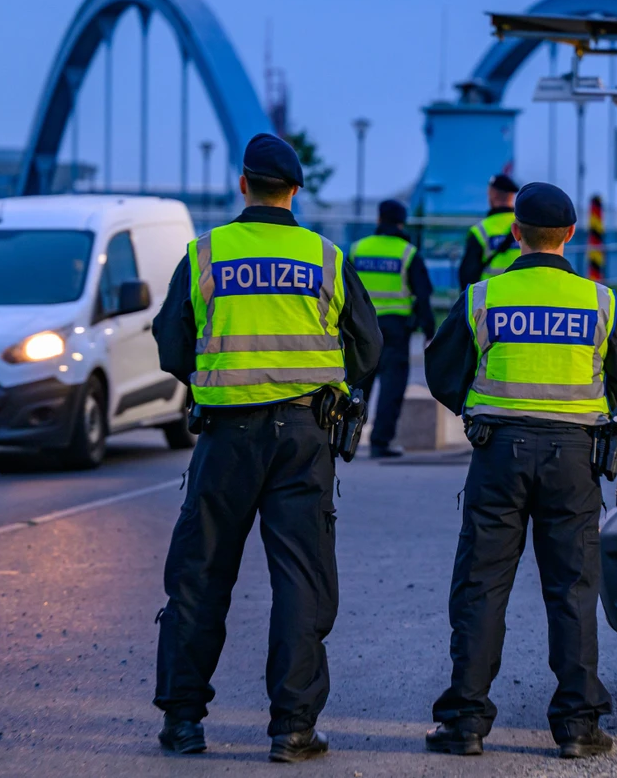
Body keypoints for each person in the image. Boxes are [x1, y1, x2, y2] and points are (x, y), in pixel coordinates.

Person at [150, 133, 383, 763]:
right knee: (300, 581)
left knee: (200, 577)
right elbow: (368, 348)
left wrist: (221, 379)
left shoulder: (205, 255)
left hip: (226, 438)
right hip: (305, 438)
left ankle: (182, 723)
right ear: (296, 192)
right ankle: (293, 730)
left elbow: (173, 348)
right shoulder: (327, 258)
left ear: (243, 184)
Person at [424, 182, 617, 759]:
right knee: (572, 589)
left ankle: (465, 723)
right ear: (570, 236)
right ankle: (577, 726)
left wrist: (477, 410)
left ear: (515, 233)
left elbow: (443, 370)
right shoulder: (599, 301)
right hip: (574, 459)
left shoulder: (484, 297)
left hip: (499, 454)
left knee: (481, 586)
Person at [350, 199, 436, 458]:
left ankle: (345, 439)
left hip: (361, 328)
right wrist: (429, 329)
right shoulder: (407, 252)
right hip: (395, 329)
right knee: (391, 388)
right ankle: (379, 443)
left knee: (357, 387)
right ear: (401, 222)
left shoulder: (357, 249)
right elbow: (423, 294)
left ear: (379, 219)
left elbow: (345, 290)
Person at [457, 173, 520, 288]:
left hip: (490, 300)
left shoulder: (480, 230)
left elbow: (467, 275)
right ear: (511, 196)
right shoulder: (526, 227)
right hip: (522, 297)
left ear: (493, 194)